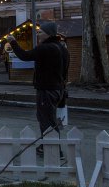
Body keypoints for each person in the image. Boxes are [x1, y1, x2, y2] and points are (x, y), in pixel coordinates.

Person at [7, 21, 69, 156]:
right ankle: (45, 146)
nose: (38, 34)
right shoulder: (62, 49)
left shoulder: (45, 48)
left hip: (46, 89)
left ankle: (54, 150)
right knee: (50, 118)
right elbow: (65, 71)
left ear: (48, 34)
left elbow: (25, 56)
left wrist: (13, 42)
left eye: (41, 32)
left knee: (46, 119)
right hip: (58, 89)